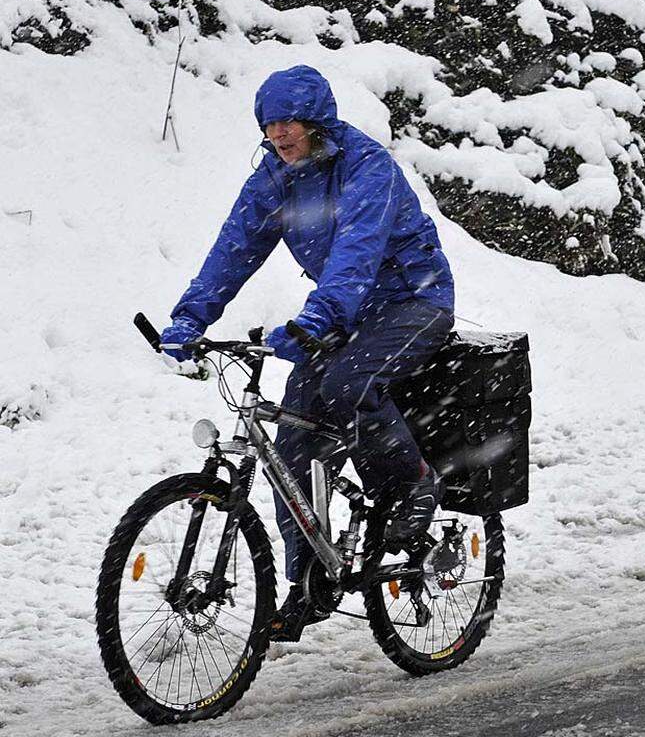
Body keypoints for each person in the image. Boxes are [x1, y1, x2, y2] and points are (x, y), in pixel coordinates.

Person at [159, 65, 455, 640]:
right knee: (293, 439)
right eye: (268, 125)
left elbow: (357, 251)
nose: (278, 135)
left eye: (288, 122)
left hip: (413, 304)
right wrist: (189, 318)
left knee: (347, 384)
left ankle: (414, 484)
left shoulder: (368, 168)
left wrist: (318, 319)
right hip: (348, 315)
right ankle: (309, 583)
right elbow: (233, 249)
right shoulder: (275, 178)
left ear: (317, 120)